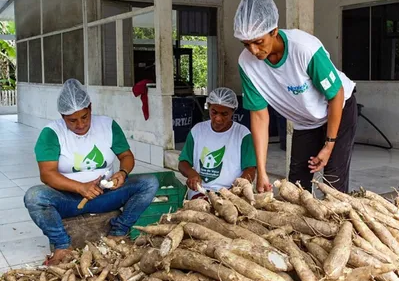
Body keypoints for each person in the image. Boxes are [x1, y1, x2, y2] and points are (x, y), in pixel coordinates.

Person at [234, 0, 357, 193]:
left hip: (339, 108)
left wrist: (328, 146)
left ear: (273, 31)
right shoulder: (246, 64)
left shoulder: (304, 49)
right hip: (305, 121)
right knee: (296, 186)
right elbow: (259, 116)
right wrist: (262, 172)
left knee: (333, 184)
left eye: (258, 42)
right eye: (246, 44)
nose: (254, 51)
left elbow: (336, 95)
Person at [24, 79, 159, 265]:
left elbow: (127, 156)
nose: (80, 124)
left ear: (90, 108)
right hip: (69, 200)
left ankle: (118, 233)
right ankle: (62, 245)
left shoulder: (107, 126)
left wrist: (123, 173)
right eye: (72, 120)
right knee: (34, 196)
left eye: (84, 117)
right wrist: (80, 188)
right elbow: (47, 174)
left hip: (106, 195)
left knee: (149, 182)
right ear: (62, 116)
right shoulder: (51, 133)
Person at [178, 87, 257, 199]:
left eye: (224, 114)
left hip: (231, 194)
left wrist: (237, 189)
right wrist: (191, 173)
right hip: (200, 193)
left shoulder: (242, 134)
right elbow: (183, 163)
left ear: (233, 111)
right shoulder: (197, 131)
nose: (218, 119)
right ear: (208, 107)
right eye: (214, 112)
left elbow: (250, 169)